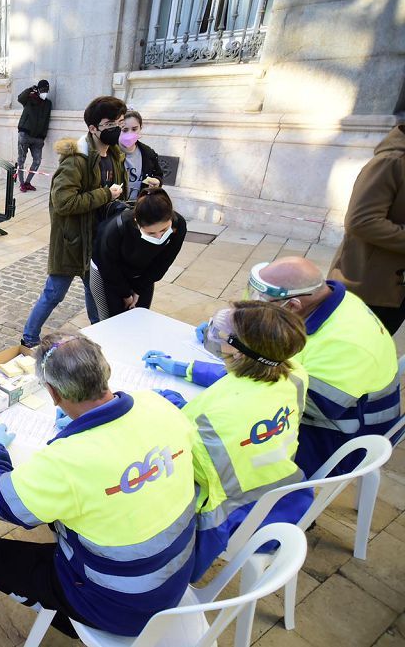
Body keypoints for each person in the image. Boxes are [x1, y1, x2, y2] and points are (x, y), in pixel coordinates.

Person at [0, 334, 196, 639]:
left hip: (120, 608)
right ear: (105, 372)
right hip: (176, 578)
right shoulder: (159, 404)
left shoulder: (66, 461)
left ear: (53, 393)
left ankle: (73, 620)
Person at [151, 256, 400, 477]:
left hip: (341, 434)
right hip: (322, 406)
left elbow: (279, 394)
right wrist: (228, 336)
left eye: (261, 300)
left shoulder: (347, 343)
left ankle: (279, 505)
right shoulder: (316, 302)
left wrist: (193, 372)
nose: (254, 302)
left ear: (292, 307)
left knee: (228, 451)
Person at [149, 301, 313, 580]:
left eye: (225, 337)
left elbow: (169, 456)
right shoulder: (294, 373)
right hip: (287, 494)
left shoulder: (208, 419)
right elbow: (238, 377)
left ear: (238, 353)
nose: (218, 338)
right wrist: (183, 369)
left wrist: (167, 409)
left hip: (230, 520)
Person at [21, 96, 128, 347]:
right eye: (110, 123)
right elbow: (63, 202)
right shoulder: (76, 159)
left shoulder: (115, 156)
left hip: (100, 241)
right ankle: (29, 337)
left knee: (95, 294)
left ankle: (100, 339)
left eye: (120, 122)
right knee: (54, 293)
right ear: (93, 128)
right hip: (72, 241)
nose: (117, 128)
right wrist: (106, 194)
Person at [328, 123, 405, 333]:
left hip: (395, 291)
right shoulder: (391, 162)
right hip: (369, 288)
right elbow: (362, 221)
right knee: (347, 352)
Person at [89, 187, 187, 321]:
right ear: (137, 222)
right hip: (107, 272)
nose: (158, 237)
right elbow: (109, 266)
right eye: (151, 233)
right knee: (110, 320)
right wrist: (126, 294)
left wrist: (138, 289)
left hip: (142, 273)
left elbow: (163, 262)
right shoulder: (115, 229)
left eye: (164, 230)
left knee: (139, 317)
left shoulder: (179, 225)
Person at [16, 79, 52, 192]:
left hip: (38, 138)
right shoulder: (29, 98)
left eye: (47, 90)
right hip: (25, 134)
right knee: (21, 160)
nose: (45, 92)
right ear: (38, 90)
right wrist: (30, 89)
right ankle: (21, 184)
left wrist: (43, 137)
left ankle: (27, 182)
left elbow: (47, 120)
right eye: (43, 90)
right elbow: (20, 98)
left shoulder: (48, 103)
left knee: (37, 161)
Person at [119, 110, 163, 200]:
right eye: (125, 130)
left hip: (137, 207)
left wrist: (157, 181)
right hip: (112, 209)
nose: (130, 133)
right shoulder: (109, 152)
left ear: (140, 128)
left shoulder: (148, 153)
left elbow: (158, 174)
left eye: (134, 129)